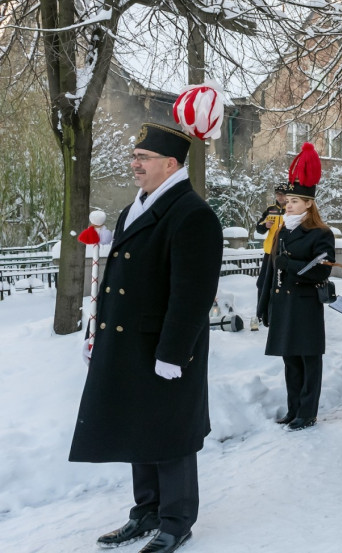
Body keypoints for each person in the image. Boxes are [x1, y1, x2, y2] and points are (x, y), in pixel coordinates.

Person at [71, 123, 222, 553]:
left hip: (165, 348)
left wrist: (174, 352)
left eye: (144, 157)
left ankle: (176, 521)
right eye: (135, 156)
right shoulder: (135, 208)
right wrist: (95, 330)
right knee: (140, 427)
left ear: (170, 164)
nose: (134, 164)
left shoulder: (192, 213)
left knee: (170, 433)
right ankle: (147, 511)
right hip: (130, 343)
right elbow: (115, 280)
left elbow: (191, 294)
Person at [258, 143, 336, 431]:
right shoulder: (281, 230)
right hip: (283, 303)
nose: (287, 205)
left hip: (305, 302)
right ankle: (294, 409)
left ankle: (307, 411)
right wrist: (264, 303)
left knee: (308, 360)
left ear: (308, 204)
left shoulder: (320, 233)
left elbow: (321, 269)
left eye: (293, 201)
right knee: (290, 360)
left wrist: (289, 266)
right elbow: (270, 270)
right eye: (287, 200)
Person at [255, 182, 288, 314]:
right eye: (278, 194)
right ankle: (261, 311)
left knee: (281, 284)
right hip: (270, 253)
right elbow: (259, 227)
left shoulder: (291, 209)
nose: (280, 197)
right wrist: (265, 226)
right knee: (262, 282)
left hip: (285, 254)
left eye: (282, 194)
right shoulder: (270, 210)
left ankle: (280, 311)